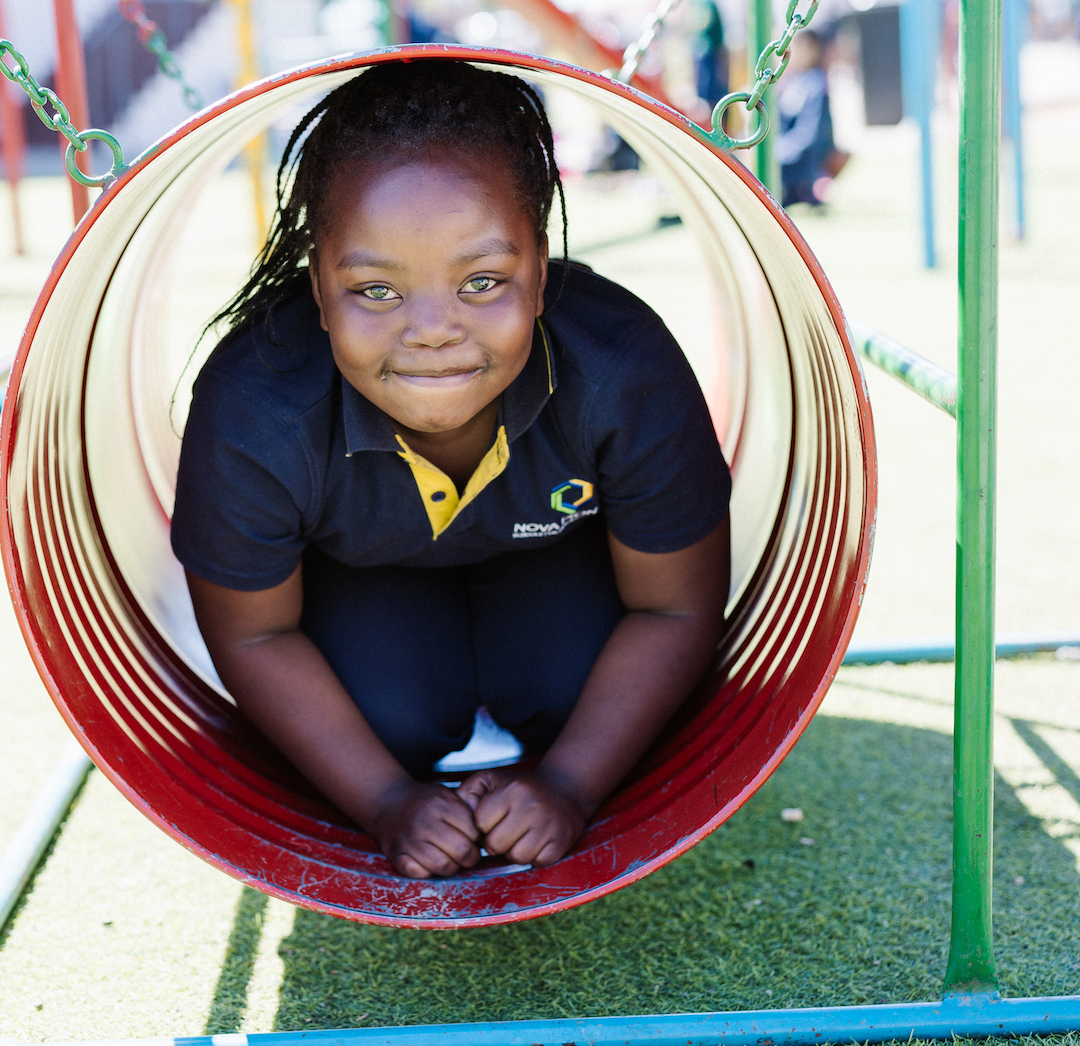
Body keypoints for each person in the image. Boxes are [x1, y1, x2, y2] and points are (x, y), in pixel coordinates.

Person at [171, 61, 731, 880]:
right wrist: (384, 799)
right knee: (387, 717)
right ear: (318, 287)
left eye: (482, 281)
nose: (433, 329)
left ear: (540, 271)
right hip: (361, 580)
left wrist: (570, 784)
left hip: (557, 561)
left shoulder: (620, 371)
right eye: (375, 290)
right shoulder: (258, 409)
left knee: (578, 692)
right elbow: (254, 632)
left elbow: (676, 608)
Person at [775, 30, 838, 208]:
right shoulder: (791, 82)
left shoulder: (816, 84)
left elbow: (811, 133)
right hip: (786, 149)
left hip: (802, 160)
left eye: (803, 48)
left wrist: (780, 150)